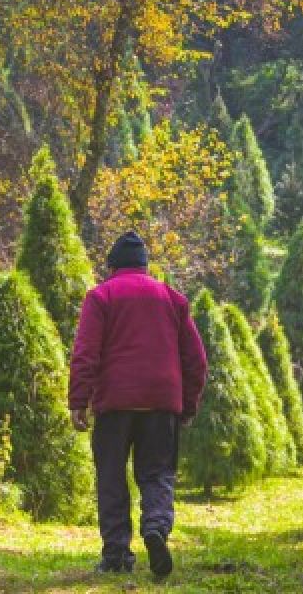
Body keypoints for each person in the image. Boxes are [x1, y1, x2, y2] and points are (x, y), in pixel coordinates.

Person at [68, 231, 208, 579]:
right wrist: (187, 405)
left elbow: (86, 353)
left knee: (112, 478)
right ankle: (156, 528)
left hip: (114, 403)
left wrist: (78, 401)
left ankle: (116, 555)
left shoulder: (101, 296)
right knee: (157, 473)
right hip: (162, 402)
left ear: (112, 266)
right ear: (146, 265)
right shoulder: (173, 299)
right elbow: (197, 360)